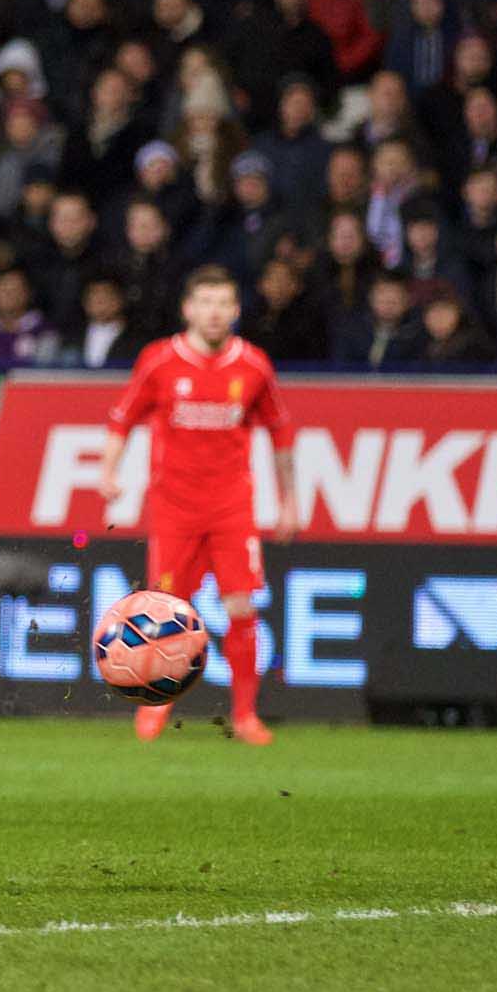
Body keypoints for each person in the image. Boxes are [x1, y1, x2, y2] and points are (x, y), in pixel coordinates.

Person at [94, 266, 299, 747]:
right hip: (174, 509)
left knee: (241, 607)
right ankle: (157, 703)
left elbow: (280, 433)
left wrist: (290, 502)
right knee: (166, 614)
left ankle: (245, 715)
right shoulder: (159, 360)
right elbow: (122, 419)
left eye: (223, 302)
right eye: (204, 302)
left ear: (235, 310)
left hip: (231, 508)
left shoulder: (253, 365)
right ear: (188, 308)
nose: (213, 312)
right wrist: (108, 472)